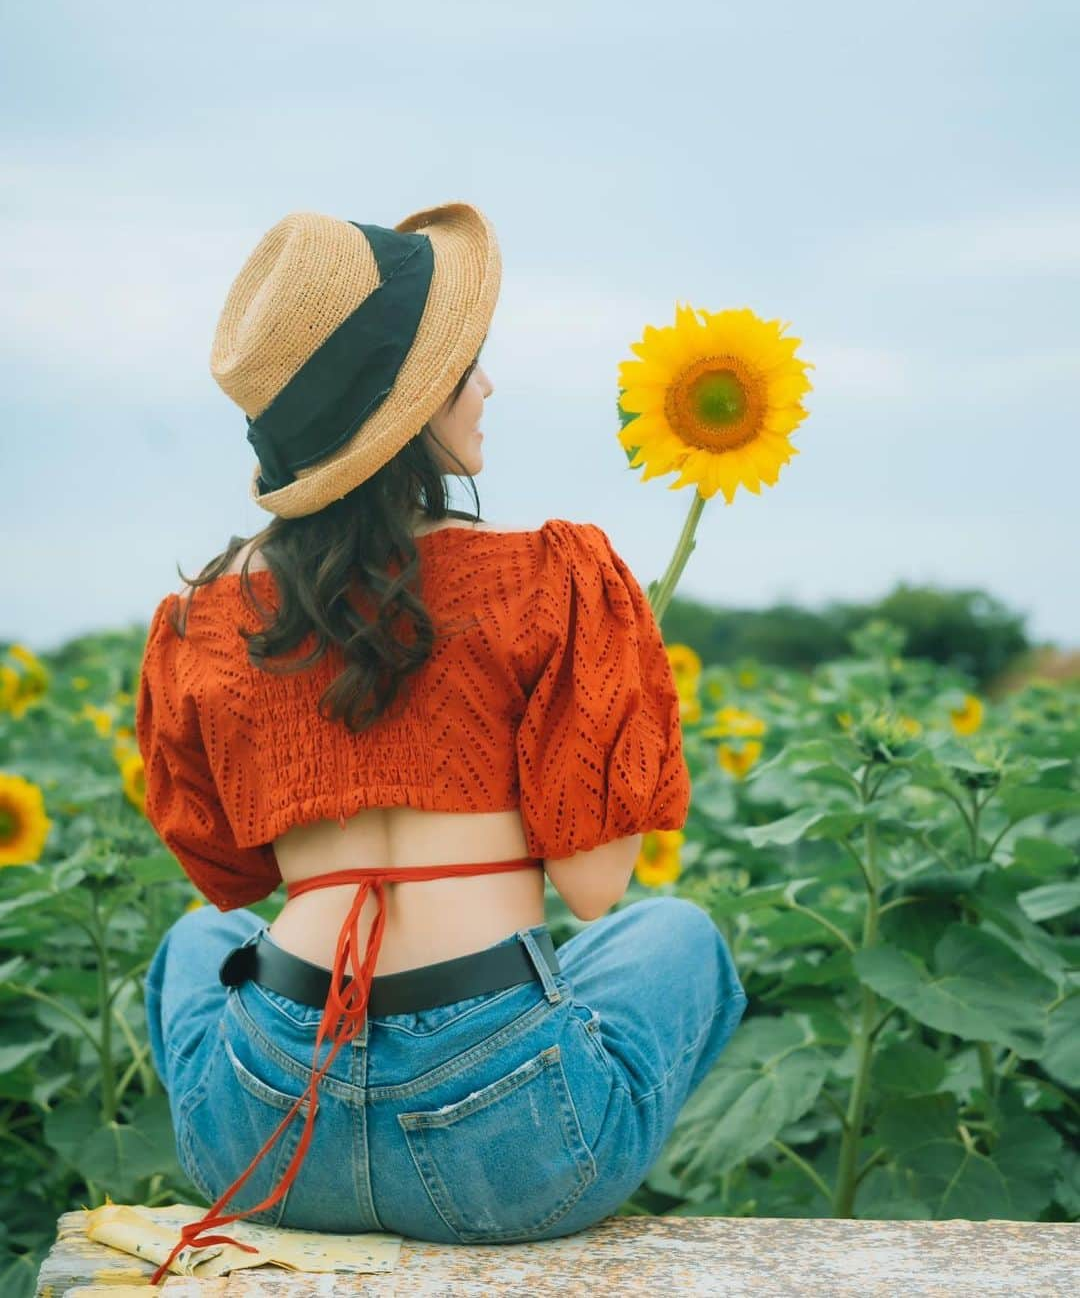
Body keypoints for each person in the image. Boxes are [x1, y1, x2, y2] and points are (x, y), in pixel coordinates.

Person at [137, 201, 748, 1283]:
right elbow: (598, 889)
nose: (487, 386)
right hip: (506, 1151)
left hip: (270, 1139)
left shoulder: (203, 623)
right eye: (467, 364)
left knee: (193, 947)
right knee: (678, 935)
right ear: (408, 404)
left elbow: (227, 878)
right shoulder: (551, 578)